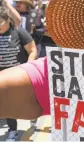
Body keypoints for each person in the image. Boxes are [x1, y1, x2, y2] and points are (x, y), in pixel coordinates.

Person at [0, 6, 37, 141]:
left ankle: (34, 118)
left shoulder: (19, 32)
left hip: (19, 76)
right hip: (3, 78)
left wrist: (28, 67)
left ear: (8, 19)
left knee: (27, 102)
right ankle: (13, 130)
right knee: (7, 103)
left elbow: (32, 50)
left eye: (0, 22)